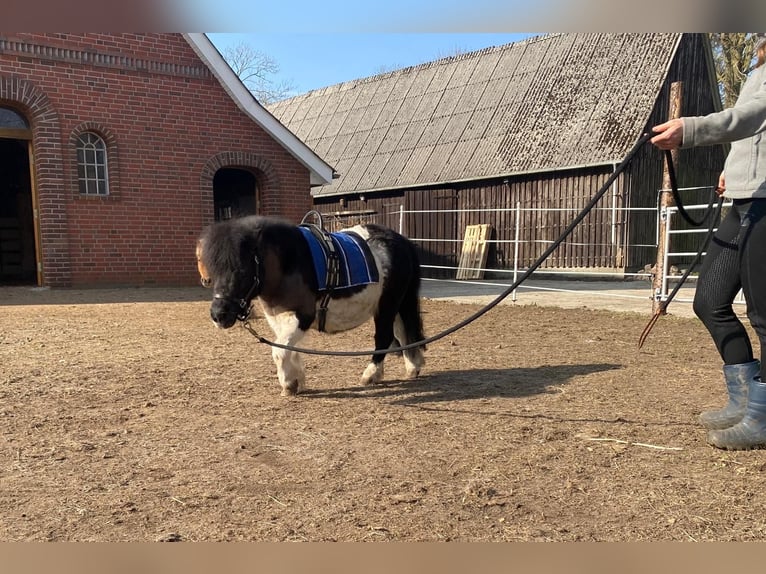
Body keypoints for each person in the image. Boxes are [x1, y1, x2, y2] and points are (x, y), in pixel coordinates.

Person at [651, 35, 766, 450]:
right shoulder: (758, 66)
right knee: (709, 301)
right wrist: (730, 169)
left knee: (764, 316)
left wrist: (692, 128)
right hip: (744, 198)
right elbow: (752, 133)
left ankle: (762, 416)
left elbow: (755, 115)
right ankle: (746, 399)